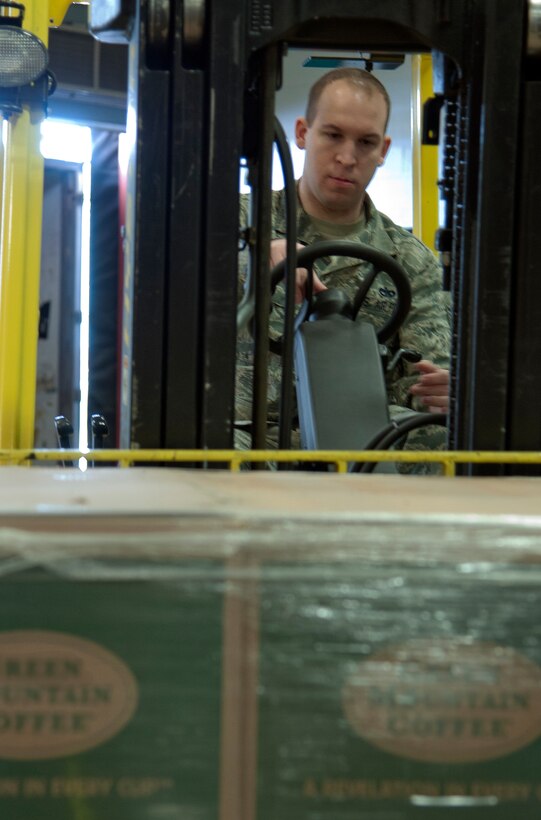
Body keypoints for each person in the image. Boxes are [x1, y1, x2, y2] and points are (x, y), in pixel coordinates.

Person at [236, 67, 450, 464]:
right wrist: (259, 253)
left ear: (383, 150)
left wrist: (438, 389)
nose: (347, 157)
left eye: (366, 142)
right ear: (302, 133)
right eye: (333, 135)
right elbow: (176, 312)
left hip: (360, 434)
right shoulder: (236, 222)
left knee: (440, 439)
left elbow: (423, 375)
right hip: (249, 435)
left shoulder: (410, 259)